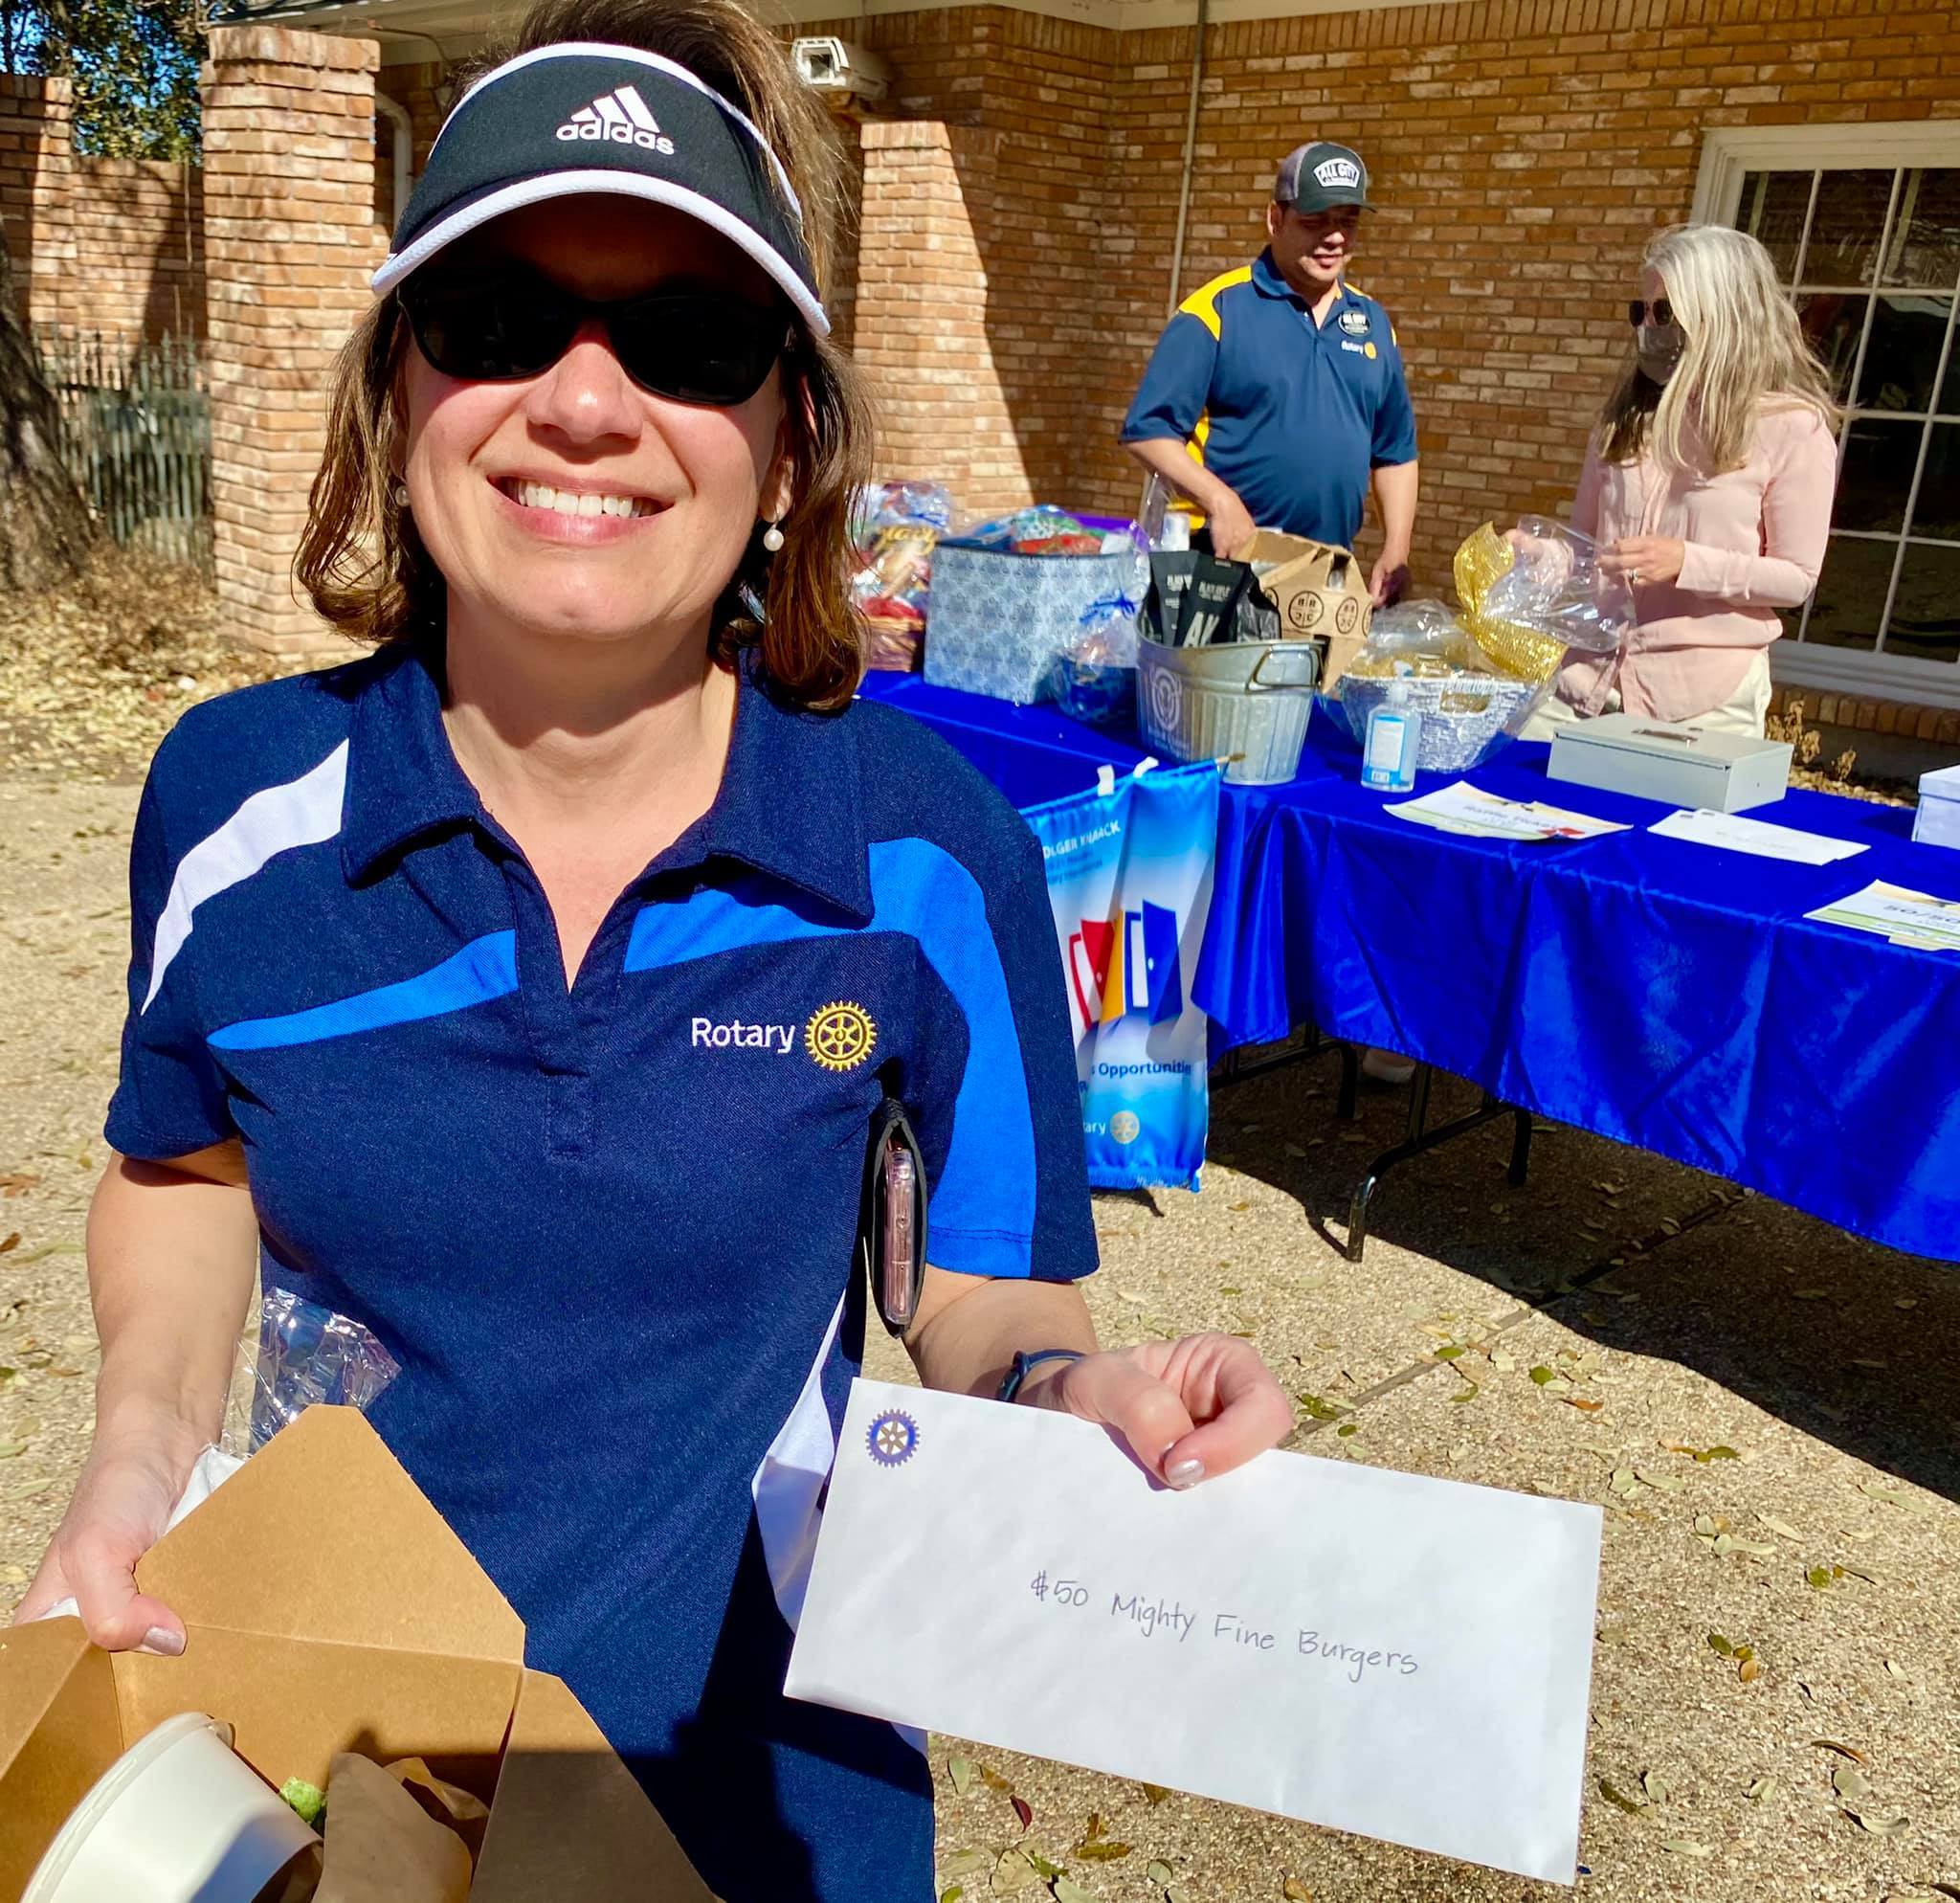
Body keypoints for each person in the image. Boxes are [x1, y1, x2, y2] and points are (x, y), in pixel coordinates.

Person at [12, 5, 1293, 1899]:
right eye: (498, 318)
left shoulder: (926, 853)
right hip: (315, 1756)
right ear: (396, 397)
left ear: (786, 447)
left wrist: (1063, 1401)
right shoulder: (232, 801)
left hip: (757, 1794)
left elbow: (986, 1289)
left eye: (691, 340)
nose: (585, 403)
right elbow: (184, 1167)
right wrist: (135, 1450)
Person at [1523, 224, 1838, 736]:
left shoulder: (1791, 428)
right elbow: (1587, 549)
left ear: (1722, 313)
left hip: (1702, 699)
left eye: (1665, 312)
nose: (1649, 327)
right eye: (1641, 312)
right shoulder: (1624, 420)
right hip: (1583, 683)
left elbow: (1796, 578)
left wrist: (1687, 563)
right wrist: (1539, 555)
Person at [1122, 141, 1419, 604]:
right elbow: (1148, 431)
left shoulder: (1374, 324)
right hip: (1220, 564)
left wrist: (1396, 549)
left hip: (1325, 575)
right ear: (1275, 219)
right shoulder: (1217, 310)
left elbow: (1395, 451)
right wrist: (1220, 500)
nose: (1335, 237)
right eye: (1315, 221)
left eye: (1347, 222)